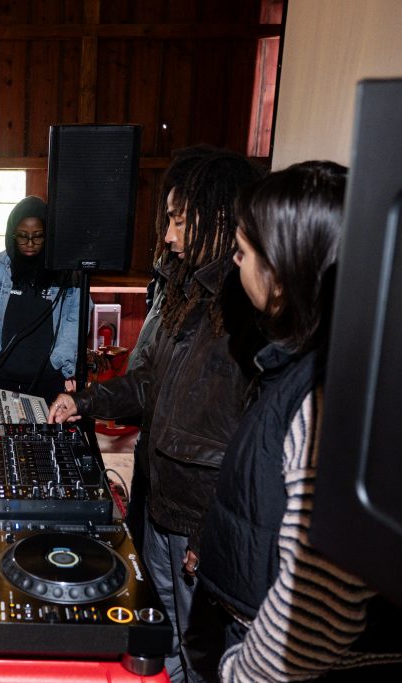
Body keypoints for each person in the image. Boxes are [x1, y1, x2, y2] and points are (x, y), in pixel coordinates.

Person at [192, 162, 402, 682]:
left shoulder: (328, 394)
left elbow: (321, 597)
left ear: (283, 276)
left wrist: (244, 672)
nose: (233, 265)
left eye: (242, 252)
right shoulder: (325, 366)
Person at [48, 150, 265, 682]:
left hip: (200, 518)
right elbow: (148, 384)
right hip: (161, 500)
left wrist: (209, 533)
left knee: (202, 653)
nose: (167, 235)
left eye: (177, 220)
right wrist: (88, 400)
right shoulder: (181, 291)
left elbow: (250, 441)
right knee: (162, 634)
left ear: (218, 218)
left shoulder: (246, 307)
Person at [0, 196, 82, 402]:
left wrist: (57, 361)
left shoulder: (67, 273)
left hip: (49, 379)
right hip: (1, 378)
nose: (30, 243)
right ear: (12, 235)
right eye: (22, 236)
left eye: (38, 236)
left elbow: (77, 318)